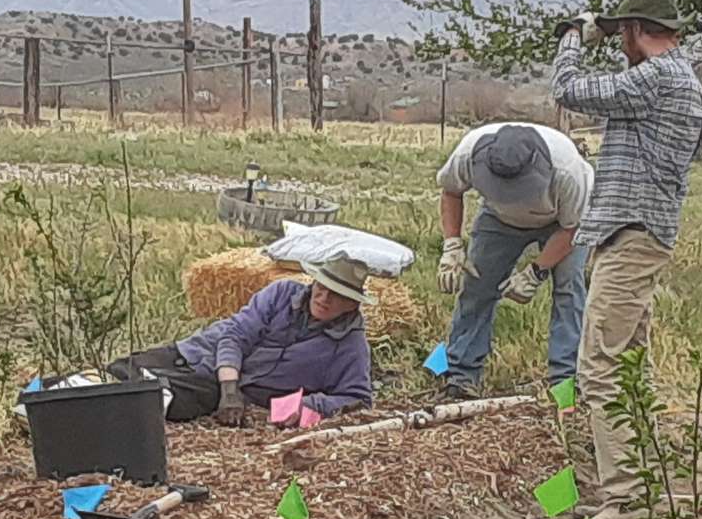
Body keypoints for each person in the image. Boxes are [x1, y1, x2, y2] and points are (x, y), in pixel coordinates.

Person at [551, 0, 702, 519]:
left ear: (635, 30)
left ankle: (625, 500)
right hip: (639, 233)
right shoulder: (678, 79)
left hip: (632, 233)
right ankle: (638, 487)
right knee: (628, 365)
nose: (618, 43)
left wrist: (574, 37)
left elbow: (568, 89)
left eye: (621, 33)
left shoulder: (658, 77)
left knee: (600, 365)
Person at [108, 257, 373, 427]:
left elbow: (357, 398)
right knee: (118, 370)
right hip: (198, 354)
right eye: (321, 288)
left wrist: (308, 405)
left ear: (352, 304)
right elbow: (234, 335)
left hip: (212, 386)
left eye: (336, 296)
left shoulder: (351, 346)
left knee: (147, 394)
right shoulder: (282, 293)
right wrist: (230, 390)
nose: (323, 298)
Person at [436, 122, 593, 399]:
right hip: (498, 220)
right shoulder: (467, 153)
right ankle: (461, 376)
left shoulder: (569, 171)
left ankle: (566, 384)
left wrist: (535, 272)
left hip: (562, 223)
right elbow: (451, 191)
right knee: (477, 286)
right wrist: (451, 245)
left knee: (569, 291)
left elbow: (573, 229)